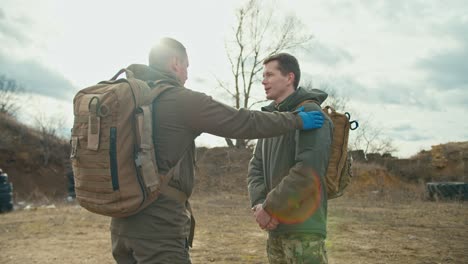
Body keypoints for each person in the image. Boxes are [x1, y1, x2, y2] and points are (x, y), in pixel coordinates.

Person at [110, 38, 325, 264]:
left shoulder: (131, 100)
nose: (186, 75)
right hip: (158, 227)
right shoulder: (181, 100)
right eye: (186, 67)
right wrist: (296, 120)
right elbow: (243, 122)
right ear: (175, 63)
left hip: (121, 224)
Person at [248, 53, 333, 263]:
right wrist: (260, 206)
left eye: (270, 74)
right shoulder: (271, 119)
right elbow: (255, 167)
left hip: (304, 230)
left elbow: (307, 172)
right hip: (275, 228)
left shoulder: (311, 113)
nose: (263, 80)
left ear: (289, 77)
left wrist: (269, 207)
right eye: (263, 75)